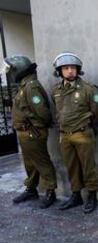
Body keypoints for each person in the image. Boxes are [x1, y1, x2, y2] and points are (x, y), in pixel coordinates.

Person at [0, 56, 57, 209]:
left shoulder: (31, 87)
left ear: (18, 70)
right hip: (25, 133)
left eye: (11, 70)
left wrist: (39, 127)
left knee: (42, 162)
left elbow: (43, 112)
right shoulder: (24, 86)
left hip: (33, 133)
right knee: (30, 164)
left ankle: (51, 192)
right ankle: (31, 189)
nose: (9, 73)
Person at [51, 52, 98, 214]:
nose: (70, 71)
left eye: (72, 68)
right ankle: (76, 195)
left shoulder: (88, 89)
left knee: (88, 167)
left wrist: (87, 127)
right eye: (66, 68)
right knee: (71, 166)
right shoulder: (56, 91)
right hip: (64, 136)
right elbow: (57, 111)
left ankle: (92, 195)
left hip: (83, 134)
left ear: (77, 69)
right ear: (60, 71)